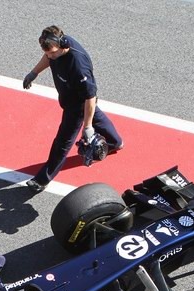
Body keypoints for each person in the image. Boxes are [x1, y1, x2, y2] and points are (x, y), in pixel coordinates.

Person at [22, 25, 123, 192]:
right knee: (96, 116)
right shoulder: (54, 49)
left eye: (53, 53)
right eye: (48, 53)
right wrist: (34, 72)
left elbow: (90, 98)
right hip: (69, 96)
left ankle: (42, 179)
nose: (50, 56)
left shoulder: (78, 65)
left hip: (78, 104)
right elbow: (48, 57)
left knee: (62, 142)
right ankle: (115, 142)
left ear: (64, 45)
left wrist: (88, 128)